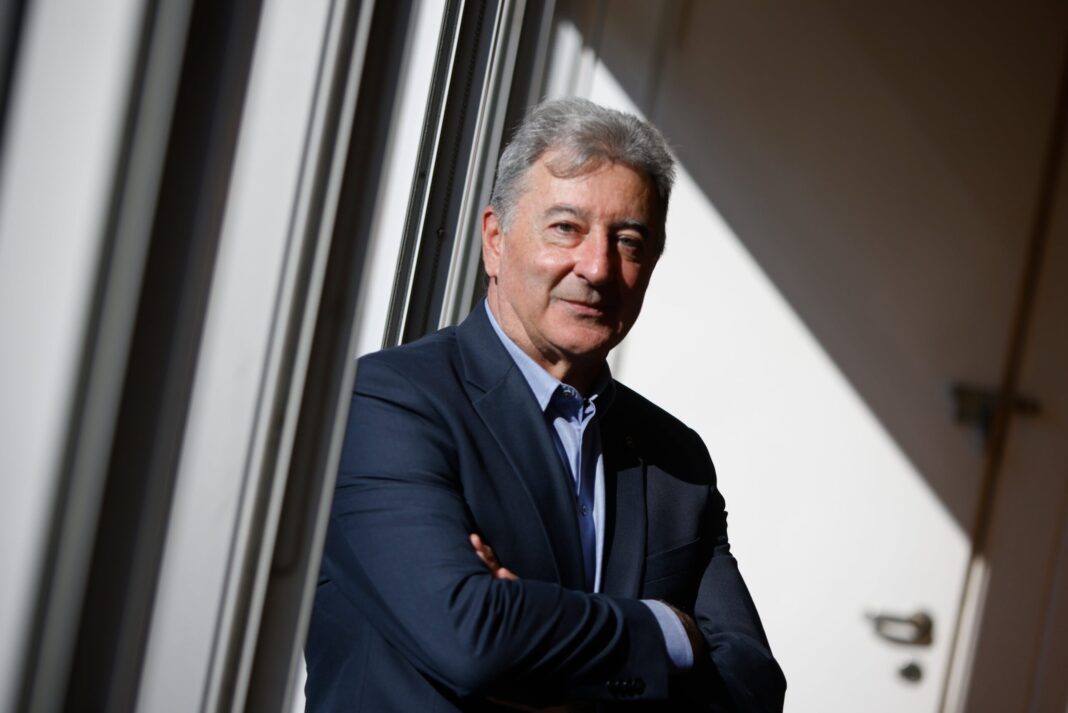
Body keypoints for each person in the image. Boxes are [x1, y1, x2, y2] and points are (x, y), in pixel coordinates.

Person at [305, 98, 785, 712]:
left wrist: (530, 629)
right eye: (566, 228)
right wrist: (670, 628)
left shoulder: (674, 459)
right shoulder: (387, 404)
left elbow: (752, 686)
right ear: (495, 240)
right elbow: (474, 641)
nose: (598, 268)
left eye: (629, 241)